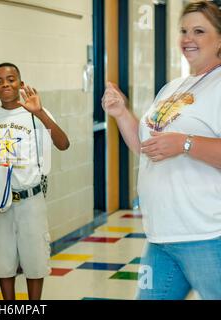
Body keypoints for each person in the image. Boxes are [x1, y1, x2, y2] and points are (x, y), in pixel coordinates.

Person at [102, 0, 221, 300]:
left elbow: (177, 144)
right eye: (183, 30)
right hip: (160, 237)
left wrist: (185, 143)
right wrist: (121, 113)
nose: (187, 39)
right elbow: (147, 150)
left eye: (199, 31)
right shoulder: (173, 88)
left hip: (207, 236)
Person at [0, 62, 70, 300]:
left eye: (11, 79)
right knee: (1, 260)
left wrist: (40, 112)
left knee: (35, 260)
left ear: (21, 84)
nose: (6, 84)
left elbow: (63, 144)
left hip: (30, 198)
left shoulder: (35, 115)